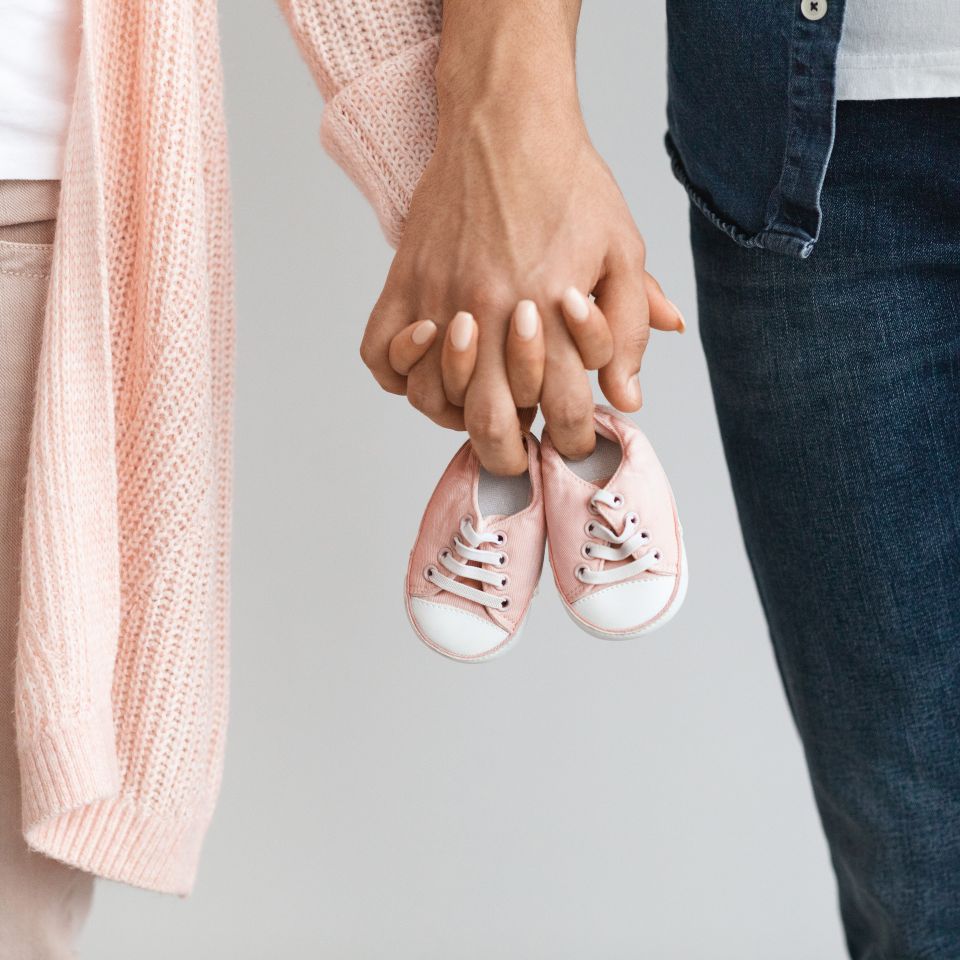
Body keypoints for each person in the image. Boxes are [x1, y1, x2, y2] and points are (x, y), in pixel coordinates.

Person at [1, 0, 958, 958]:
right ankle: (571, 431)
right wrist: (486, 159)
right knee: (920, 876)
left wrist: (472, 179)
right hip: (823, 122)